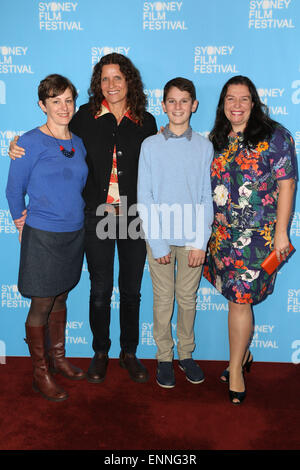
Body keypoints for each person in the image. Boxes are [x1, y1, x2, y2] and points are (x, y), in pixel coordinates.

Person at [9, 53, 157, 384]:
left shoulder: (145, 121)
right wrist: (15, 145)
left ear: (129, 80)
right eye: (104, 79)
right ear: (97, 84)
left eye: (118, 77)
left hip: (133, 215)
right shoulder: (83, 118)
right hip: (97, 215)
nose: (111, 84)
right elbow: (52, 133)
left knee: (131, 289)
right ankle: (101, 352)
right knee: (101, 288)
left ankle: (129, 353)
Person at [203, 75, 297, 404]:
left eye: (243, 99)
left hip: (259, 237)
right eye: (231, 99)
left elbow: (287, 185)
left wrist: (282, 232)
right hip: (223, 237)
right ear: (223, 104)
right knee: (235, 300)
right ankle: (242, 356)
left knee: (241, 300)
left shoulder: (275, 137)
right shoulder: (217, 139)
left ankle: (236, 368)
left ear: (253, 103)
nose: (237, 105)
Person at [6, 74, 88, 402]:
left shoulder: (78, 143)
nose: (63, 107)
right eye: (55, 101)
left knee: (61, 297)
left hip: (73, 232)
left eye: (68, 99)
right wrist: (19, 224)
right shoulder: (28, 142)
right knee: (41, 302)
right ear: (43, 105)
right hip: (42, 234)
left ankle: (57, 359)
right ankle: (40, 373)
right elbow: (13, 191)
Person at [137, 77, 214, 388]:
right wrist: (156, 243)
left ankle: (185, 353)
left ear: (194, 105)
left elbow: (206, 196)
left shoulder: (204, 146)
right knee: (163, 298)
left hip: (192, 239)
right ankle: (164, 357)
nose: (178, 106)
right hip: (160, 239)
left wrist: (199, 242)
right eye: (172, 101)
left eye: (185, 101)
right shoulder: (151, 145)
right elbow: (145, 196)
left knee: (186, 298)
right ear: (164, 105)